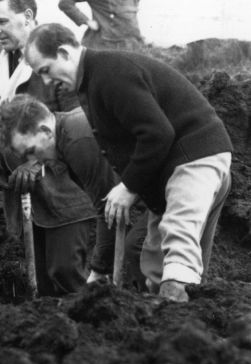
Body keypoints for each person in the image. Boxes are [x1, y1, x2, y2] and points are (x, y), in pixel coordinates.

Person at [24, 23, 233, 302]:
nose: (47, 82)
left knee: (179, 246)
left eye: (45, 71)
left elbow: (157, 133)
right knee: (154, 260)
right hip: (175, 168)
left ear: (63, 52)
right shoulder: (91, 82)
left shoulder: (110, 73)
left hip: (194, 158)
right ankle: (180, 326)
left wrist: (129, 187)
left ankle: (180, 327)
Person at [0, 0, 97, 296]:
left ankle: (98, 329)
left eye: (2, 21)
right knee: (44, 283)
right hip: (22, 193)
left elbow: (77, 125)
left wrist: (34, 163)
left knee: (66, 272)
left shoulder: (52, 60)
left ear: (28, 17)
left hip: (65, 192)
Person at [0, 95, 119, 281]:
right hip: (143, 192)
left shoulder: (78, 141)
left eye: (31, 152)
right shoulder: (65, 143)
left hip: (163, 186)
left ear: (46, 131)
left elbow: (110, 208)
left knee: (136, 257)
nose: (34, 161)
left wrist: (99, 270)